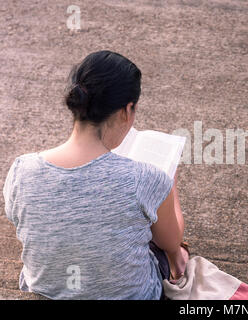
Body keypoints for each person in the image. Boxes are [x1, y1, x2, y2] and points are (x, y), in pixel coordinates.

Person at [2, 50, 188, 299]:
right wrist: (169, 182)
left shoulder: (22, 170)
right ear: (126, 110)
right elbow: (171, 242)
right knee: (169, 249)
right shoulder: (145, 177)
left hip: (48, 292)